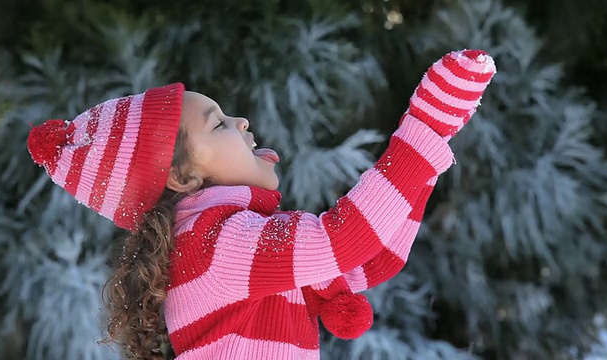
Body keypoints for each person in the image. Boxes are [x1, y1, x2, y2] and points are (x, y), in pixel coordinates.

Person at [27, 49, 496, 360]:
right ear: (181, 177)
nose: (242, 121)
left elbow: (370, 262)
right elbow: (342, 240)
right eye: (219, 125)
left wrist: (428, 149)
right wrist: (421, 128)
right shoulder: (213, 247)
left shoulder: (234, 238)